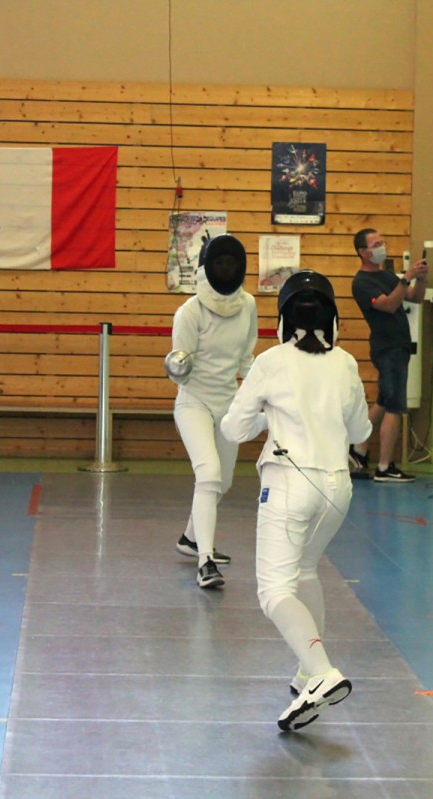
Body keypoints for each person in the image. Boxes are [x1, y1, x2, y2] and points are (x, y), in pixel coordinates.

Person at [221, 270, 372, 732]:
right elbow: (360, 432)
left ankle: (322, 672)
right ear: (333, 319)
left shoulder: (271, 362)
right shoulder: (345, 363)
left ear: (283, 319)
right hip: (337, 490)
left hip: (290, 485)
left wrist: (266, 412)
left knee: (274, 590)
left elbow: (234, 429)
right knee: (304, 569)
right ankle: (308, 673)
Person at [167, 234, 257, 589]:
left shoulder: (248, 305)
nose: (226, 269)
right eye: (219, 263)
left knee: (224, 481)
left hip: (229, 402)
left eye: (231, 263)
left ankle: (190, 539)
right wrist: (178, 368)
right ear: (207, 267)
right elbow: (181, 365)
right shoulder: (189, 312)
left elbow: (246, 360)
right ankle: (205, 562)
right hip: (194, 402)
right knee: (208, 474)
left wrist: (265, 395)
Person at [348, 228, 428, 483]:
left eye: (382, 242)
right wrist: (406, 278)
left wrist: (420, 278)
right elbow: (389, 304)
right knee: (395, 406)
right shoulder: (362, 282)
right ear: (363, 252)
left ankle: (358, 448)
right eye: (375, 244)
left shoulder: (387, 275)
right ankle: (384, 466)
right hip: (387, 348)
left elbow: (414, 297)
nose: (381, 247)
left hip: (399, 345)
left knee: (384, 400)